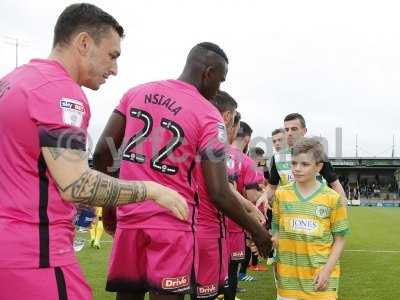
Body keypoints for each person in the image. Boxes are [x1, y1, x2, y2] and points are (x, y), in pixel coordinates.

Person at [0, 4, 187, 300]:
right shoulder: (60, 90)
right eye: (113, 56)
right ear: (84, 43)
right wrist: (151, 190)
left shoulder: (13, 81)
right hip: (36, 256)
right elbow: (78, 184)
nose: (115, 69)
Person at [93, 43, 272, 300]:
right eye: (219, 81)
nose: (217, 89)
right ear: (208, 73)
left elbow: (102, 153)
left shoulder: (135, 93)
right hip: (172, 224)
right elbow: (219, 191)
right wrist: (257, 232)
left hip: (130, 218)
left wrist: (110, 206)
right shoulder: (208, 114)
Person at [193, 91, 265, 300]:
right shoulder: (238, 158)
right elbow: (236, 192)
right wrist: (255, 210)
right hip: (225, 226)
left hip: (188, 224)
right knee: (227, 276)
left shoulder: (193, 142)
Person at [272, 138, 349, 300]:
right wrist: (264, 240)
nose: (297, 169)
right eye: (294, 163)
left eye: (305, 164)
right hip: (288, 282)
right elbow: (276, 232)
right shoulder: (281, 194)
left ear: (319, 167)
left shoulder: (333, 198)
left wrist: (326, 271)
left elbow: (340, 240)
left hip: (320, 280)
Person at [259, 113, 347, 207]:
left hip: (317, 212)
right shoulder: (277, 158)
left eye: (294, 129)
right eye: (286, 130)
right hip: (290, 212)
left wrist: (343, 208)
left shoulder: (317, 153)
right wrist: (264, 196)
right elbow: (272, 187)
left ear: (304, 131)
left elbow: (335, 184)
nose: (289, 133)